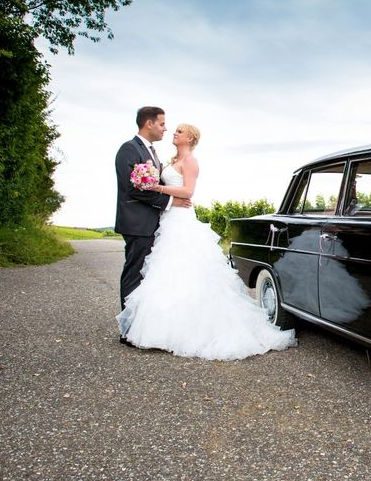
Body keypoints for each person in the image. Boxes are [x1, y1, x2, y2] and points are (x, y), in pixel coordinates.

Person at [115, 123, 296, 360]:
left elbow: (188, 192)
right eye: (174, 130)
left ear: (190, 138)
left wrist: (156, 186)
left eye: (179, 131)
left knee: (186, 270)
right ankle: (168, 325)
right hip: (167, 219)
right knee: (166, 272)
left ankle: (187, 328)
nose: (174, 133)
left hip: (181, 219)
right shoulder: (168, 159)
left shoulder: (191, 161)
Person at [115, 106, 191, 334]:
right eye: (161, 124)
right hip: (136, 222)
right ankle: (128, 329)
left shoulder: (151, 152)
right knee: (135, 273)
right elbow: (134, 188)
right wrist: (170, 203)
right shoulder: (129, 149)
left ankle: (143, 325)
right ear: (149, 124)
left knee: (146, 275)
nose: (165, 129)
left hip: (151, 222)